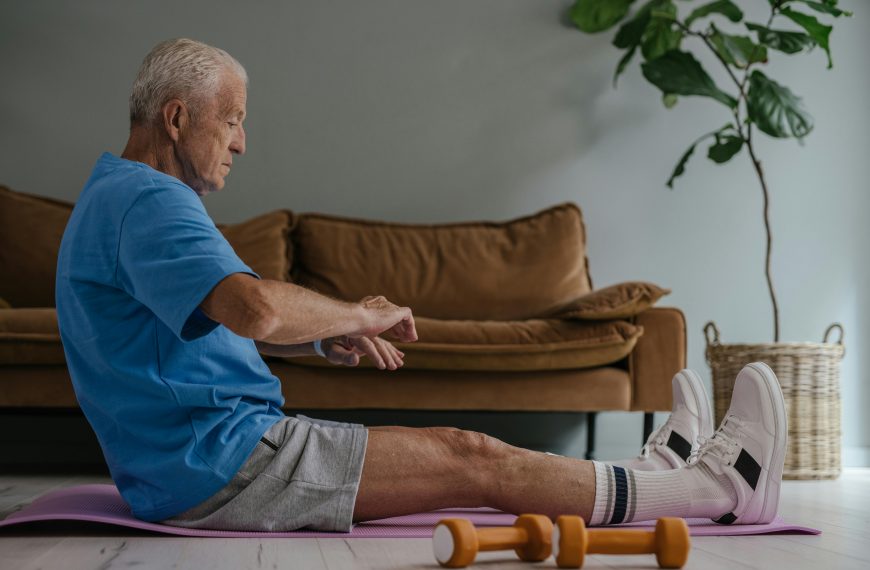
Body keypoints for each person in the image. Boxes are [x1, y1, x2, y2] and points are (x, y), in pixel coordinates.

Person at [56, 38, 787, 532]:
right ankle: (720, 492)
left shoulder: (114, 196)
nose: (242, 141)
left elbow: (191, 339)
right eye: (233, 121)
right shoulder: (149, 201)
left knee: (471, 455)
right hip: (226, 466)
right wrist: (354, 313)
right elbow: (252, 307)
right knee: (473, 457)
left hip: (198, 462)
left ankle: (648, 473)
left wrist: (323, 337)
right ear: (177, 119)